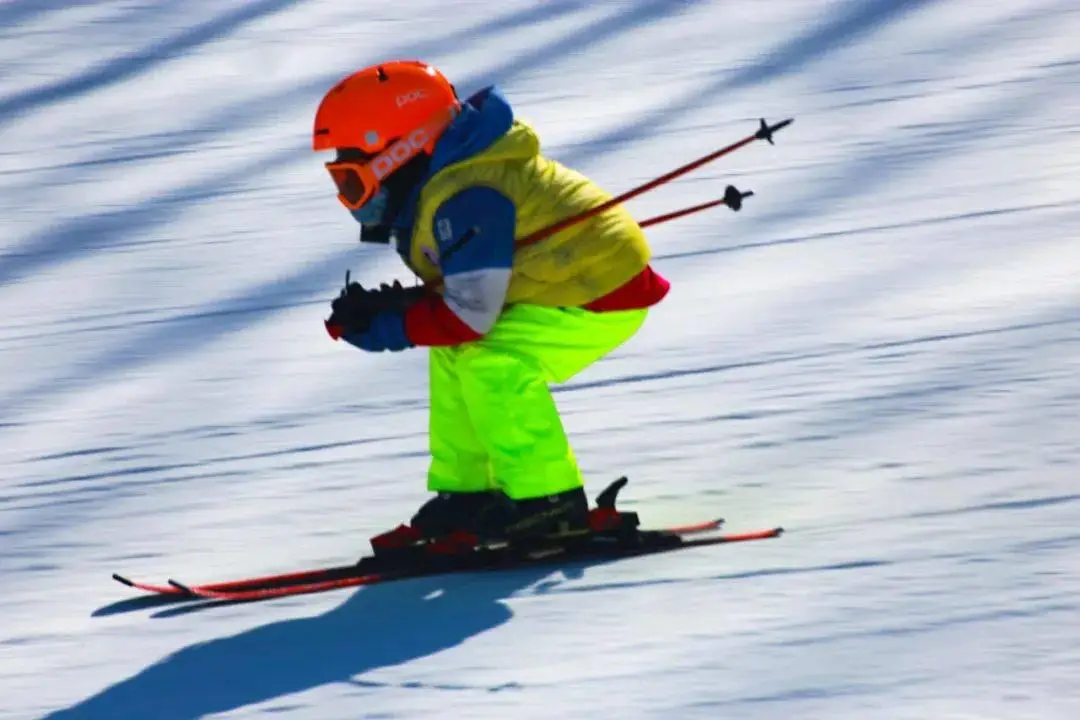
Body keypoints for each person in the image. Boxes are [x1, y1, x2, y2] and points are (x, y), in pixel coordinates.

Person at [313, 60, 669, 547]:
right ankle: (470, 493)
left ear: (404, 151)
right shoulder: (444, 185)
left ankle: (549, 502)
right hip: (555, 284)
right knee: (452, 352)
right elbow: (467, 292)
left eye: (352, 181)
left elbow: (468, 316)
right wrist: (396, 308)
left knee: (489, 362)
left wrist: (387, 328)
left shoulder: (468, 196)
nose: (352, 201)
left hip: (601, 293)